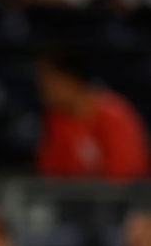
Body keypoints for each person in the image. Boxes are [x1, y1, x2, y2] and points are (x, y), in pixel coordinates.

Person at [36, 48, 149, 180]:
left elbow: (128, 176)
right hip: (74, 198)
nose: (43, 91)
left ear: (70, 79)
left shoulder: (114, 116)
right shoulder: (57, 121)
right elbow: (52, 174)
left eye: (48, 82)